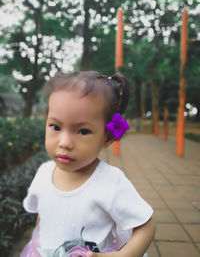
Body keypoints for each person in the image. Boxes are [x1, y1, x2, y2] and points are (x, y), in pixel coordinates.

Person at [21, 71, 156, 257]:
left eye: (83, 131)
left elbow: (146, 225)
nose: (64, 142)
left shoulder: (110, 182)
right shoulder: (44, 172)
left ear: (107, 137)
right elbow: (43, 216)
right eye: (56, 127)